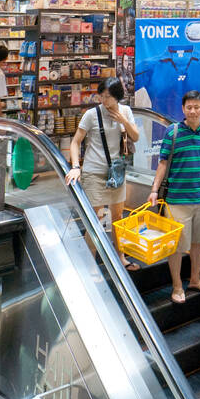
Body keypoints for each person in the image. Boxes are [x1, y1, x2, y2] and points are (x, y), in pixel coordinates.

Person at [148, 90, 200, 305]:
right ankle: (177, 285)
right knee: (177, 246)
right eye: (189, 107)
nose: (193, 110)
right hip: (177, 201)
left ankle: (196, 279)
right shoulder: (173, 132)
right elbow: (162, 163)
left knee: (199, 242)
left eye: (197, 107)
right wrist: (154, 190)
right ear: (183, 109)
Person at [66, 78, 141, 268]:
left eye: (108, 97)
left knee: (118, 217)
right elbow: (76, 142)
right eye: (102, 95)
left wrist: (122, 120)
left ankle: (120, 257)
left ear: (117, 97)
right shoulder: (91, 114)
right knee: (96, 219)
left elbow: (136, 137)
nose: (104, 100)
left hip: (116, 173)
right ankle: (88, 263)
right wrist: (76, 166)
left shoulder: (126, 111)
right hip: (94, 172)